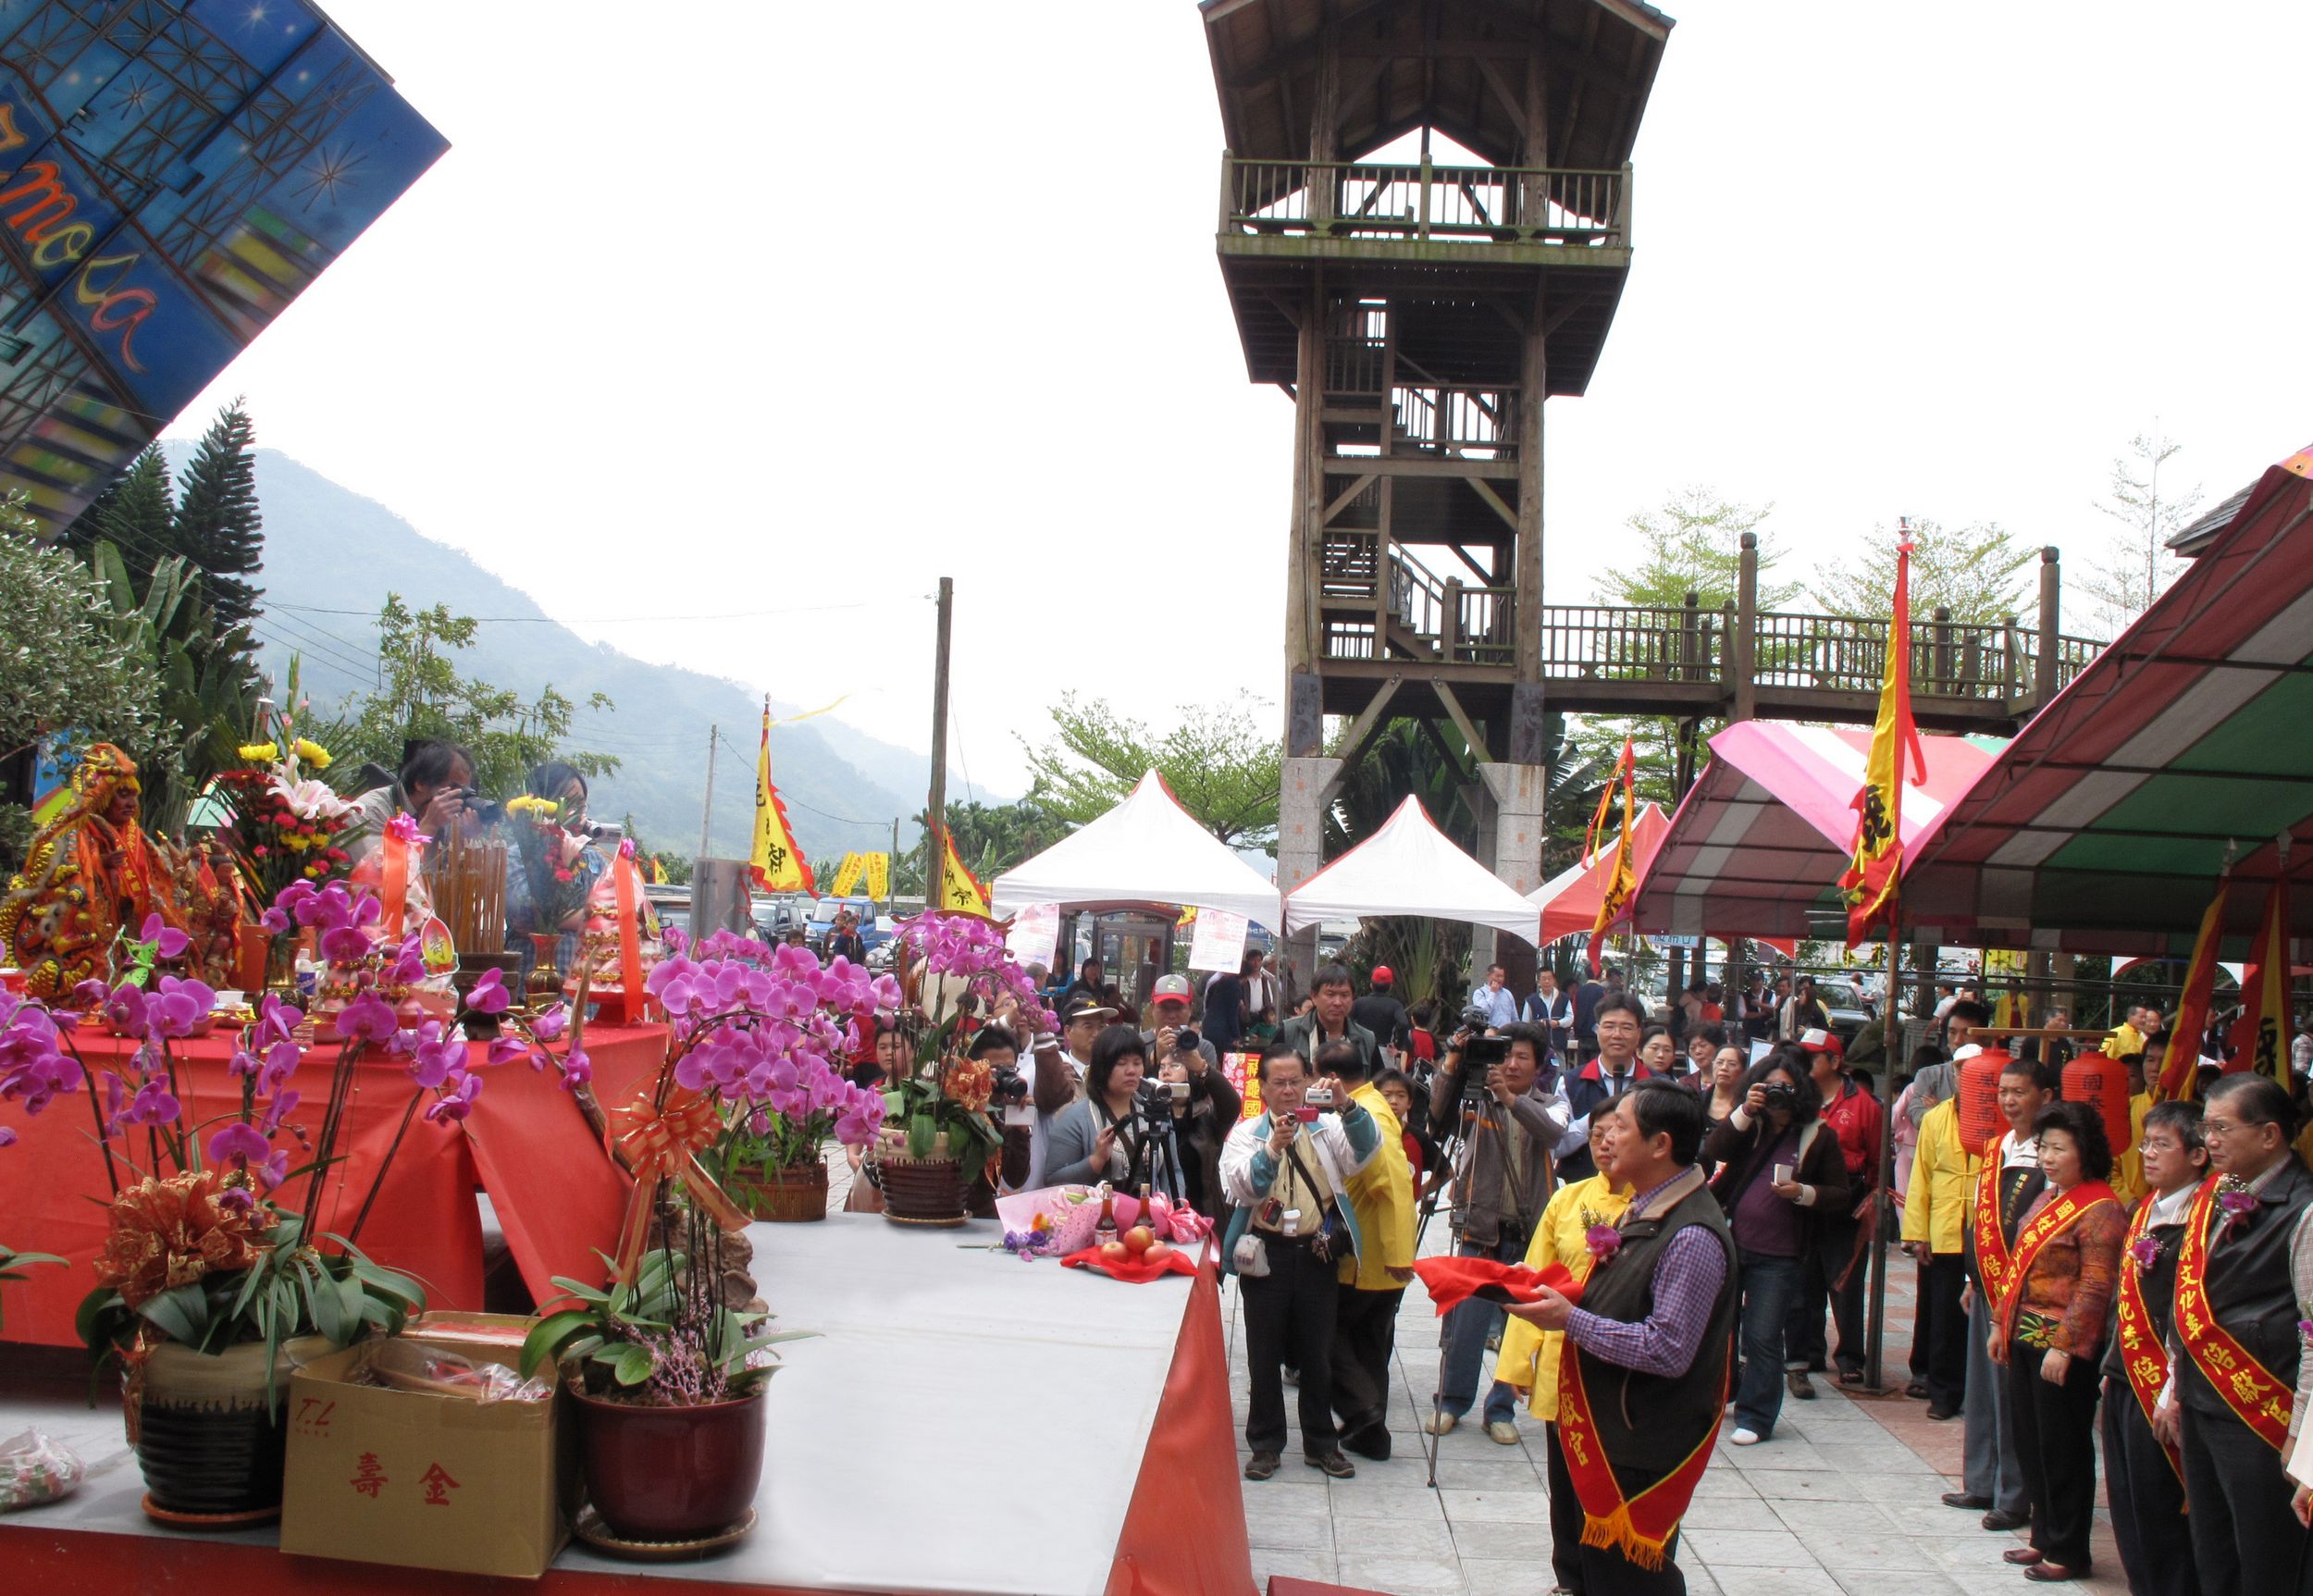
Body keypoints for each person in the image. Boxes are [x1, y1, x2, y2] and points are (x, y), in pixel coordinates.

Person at [1505, 1084, 1738, 1596]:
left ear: (1660, 1145)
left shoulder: (1691, 1234)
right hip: (1611, 1423)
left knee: (1630, 1579)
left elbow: (1667, 1349)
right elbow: (1620, 1297)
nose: (1606, 1135)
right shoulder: (1647, 1209)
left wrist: (1571, 1320)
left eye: (1621, 1126)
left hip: (1641, 1437)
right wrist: (1553, 1287)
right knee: (1596, 1568)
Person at [2156, 1072, 2313, 1592]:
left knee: (2265, 1557)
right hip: (2204, 1403)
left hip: (2262, 1415)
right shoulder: (2217, 1196)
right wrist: (2177, 1388)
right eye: (2206, 1127)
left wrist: (2301, 1439)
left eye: (2222, 1128)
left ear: (2270, 1135)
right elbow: (2189, 1299)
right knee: (2213, 1548)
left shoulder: (2304, 1210)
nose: (2210, 1141)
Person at [1220, 1041, 1381, 1481]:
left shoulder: (1327, 1128)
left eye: (1297, 1081)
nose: (1289, 1090)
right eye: (1280, 1083)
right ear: (1264, 1087)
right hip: (1266, 1253)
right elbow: (1245, 1189)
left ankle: (1321, 1444)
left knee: (1317, 1352)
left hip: (1317, 1251)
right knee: (1263, 1353)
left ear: (1309, 1081)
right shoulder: (1245, 1135)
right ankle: (1266, 1444)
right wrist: (1272, 1148)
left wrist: (1347, 1106)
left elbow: (1366, 1152)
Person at [1987, 1101, 2125, 1583]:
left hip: (2061, 1342)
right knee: (2031, 1440)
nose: (2047, 1157)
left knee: (2062, 1444)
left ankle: (2069, 1548)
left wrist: (2065, 1346)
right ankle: (2043, 1534)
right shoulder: (2048, 1198)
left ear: (2084, 1152)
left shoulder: (2101, 1207)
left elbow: (2096, 1287)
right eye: (2043, 1147)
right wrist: (1999, 1324)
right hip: (2025, 1334)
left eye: (2058, 1148)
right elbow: (2017, 1268)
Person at [1496, 1115, 1634, 1596]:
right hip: (1562, 1361)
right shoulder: (1568, 1198)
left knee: (1607, 1485)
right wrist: (1516, 1360)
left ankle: (1606, 1579)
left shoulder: (1653, 1207)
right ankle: (1570, 1578)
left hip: (1619, 1369)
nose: (1605, 1144)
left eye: (1618, 1134)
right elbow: (1532, 1280)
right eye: (1597, 1135)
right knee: (1565, 1482)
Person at [1424, 1021, 1569, 1442]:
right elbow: (1437, 1119)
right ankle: (1451, 1402)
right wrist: (1453, 1061)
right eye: (1505, 1055)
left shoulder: (1551, 1103)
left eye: (1523, 1056)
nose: (1511, 1064)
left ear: (1539, 1065)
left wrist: (1510, 1098)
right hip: (1479, 1224)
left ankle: (1501, 1407)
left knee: (1518, 1326)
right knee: (1465, 1322)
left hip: (1530, 1230)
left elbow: (1554, 1132)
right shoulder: (1477, 1101)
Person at [1705, 1051, 1851, 1445]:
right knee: (1721, 1330)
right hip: (1733, 1246)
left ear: (1802, 1089)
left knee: (1763, 1336)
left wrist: (1802, 1193)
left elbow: (1841, 1193)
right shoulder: (1750, 1128)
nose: (1778, 1095)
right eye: (1771, 1086)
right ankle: (1717, 1398)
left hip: (1781, 1257)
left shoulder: (1817, 1135)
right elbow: (1713, 1151)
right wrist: (1745, 1110)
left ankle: (1756, 1417)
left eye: (1786, 1086)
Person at [1943, 1054, 2051, 1529]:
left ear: (2045, 1097)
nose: (2009, 1100)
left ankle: (2014, 1493)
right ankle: (1980, 1482)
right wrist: (1972, 1278)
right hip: (1987, 1283)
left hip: (2026, 1293)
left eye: (2019, 1091)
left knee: (2012, 1395)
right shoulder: (1995, 1147)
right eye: (2003, 1091)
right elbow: (1981, 1222)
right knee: (1981, 1389)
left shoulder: (2050, 1155)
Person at [2102, 1100, 2204, 1596]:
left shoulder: (2206, 1217)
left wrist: (2172, 1389)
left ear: (2199, 1154)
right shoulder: (2143, 1209)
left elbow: (2189, 1313)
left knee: (2163, 1507)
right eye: (2146, 1143)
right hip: (2125, 1374)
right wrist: (2110, 1363)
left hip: (2164, 1384)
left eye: (2162, 1144)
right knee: (2128, 1503)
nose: (2148, 1154)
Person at [2, 743, 195, 999]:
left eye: (134, 795)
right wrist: (100, 864)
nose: (131, 803)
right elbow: (59, 886)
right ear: (102, 796)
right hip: (82, 941)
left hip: (127, 933)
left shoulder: (134, 835)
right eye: (123, 794)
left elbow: (157, 882)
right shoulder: (73, 835)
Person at [1322, 1038, 1416, 1461]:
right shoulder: (1373, 1104)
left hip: (1369, 1257)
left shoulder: (1366, 1113)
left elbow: (1394, 1183)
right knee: (1369, 1342)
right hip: (1378, 1256)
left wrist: (1400, 1254)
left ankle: (1362, 1411)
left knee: (1327, 1333)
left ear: (1331, 1078)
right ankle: (1371, 1433)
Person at [1785, 1029, 1884, 1396]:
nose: (1805, 1064)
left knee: (1845, 1281)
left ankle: (1851, 1358)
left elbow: (1875, 1160)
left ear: (1835, 1062)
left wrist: (1868, 1200)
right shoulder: (1799, 1099)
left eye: (1813, 1057)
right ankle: (1810, 1352)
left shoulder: (1865, 1105)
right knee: (1805, 1278)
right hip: (1805, 1200)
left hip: (1847, 1203)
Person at [503, 761, 610, 980]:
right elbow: (527, 910)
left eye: (581, 804)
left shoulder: (595, 860)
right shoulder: (517, 856)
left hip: (583, 988)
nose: (576, 812)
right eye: (566, 802)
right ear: (541, 803)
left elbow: (612, 911)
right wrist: (595, 917)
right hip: (528, 981)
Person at [1044, 1025, 1169, 1194]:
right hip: (1101, 1216)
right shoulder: (1077, 1117)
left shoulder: (1154, 1112)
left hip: (1149, 1215)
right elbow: (1052, 1181)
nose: (1131, 1071)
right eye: (1121, 1063)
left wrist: (1172, 1209)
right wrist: (1096, 1161)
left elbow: (1173, 1170)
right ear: (1102, 1068)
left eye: (1137, 1063)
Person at [1560, 993, 1654, 1183]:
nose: (1617, 1035)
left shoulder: (1657, 1085)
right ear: (1597, 1030)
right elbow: (1558, 1144)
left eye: (1626, 1028)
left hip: (1641, 1192)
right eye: (1609, 1026)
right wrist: (1596, 1121)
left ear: (1639, 1034)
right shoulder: (1571, 1082)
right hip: (1582, 1190)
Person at [1154, 1016, 1241, 1217]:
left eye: (1175, 1066)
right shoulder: (1148, 1114)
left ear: (1189, 1072)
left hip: (1205, 1214)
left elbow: (1232, 1104)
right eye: (1161, 1067)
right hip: (1160, 1215)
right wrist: (1153, 1057)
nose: (1166, 1072)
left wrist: (1202, 1067)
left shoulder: (1207, 1114)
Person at [1027, 995, 1110, 1189]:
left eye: (1101, 1027)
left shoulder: (1111, 1077)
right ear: (1068, 1031)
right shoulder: (1057, 1072)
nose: (1096, 1033)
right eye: (1088, 1026)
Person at [1279, 962, 1382, 1078]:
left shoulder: (1367, 1039)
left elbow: (1378, 1086)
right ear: (1314, 996)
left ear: (1353, 998)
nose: (1337, 1002)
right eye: (1330, 994)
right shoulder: (1289, 1032)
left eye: (1344, 995)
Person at [1374, 1070, 1440, 1203]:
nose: (1394, 1101)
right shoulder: (1366, 1133)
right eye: (1387, 1095)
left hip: (1405, 1215)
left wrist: (1418, 1193)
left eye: (1401, 1095)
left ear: (1409, 1103)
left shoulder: (1418, 1137)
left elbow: (1446, 1172)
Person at [1350, 965, 1414, 1063]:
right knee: (1383, 1078)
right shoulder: (1395, 1005)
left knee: (1360, 1078)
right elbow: (1404, 1023)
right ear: (1390, 986)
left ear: (1371, 985)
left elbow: (1346, 1020)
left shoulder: (1358, 1002)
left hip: (1361, 1050)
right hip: (1384, 1052)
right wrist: (1397, 1044)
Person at [1525, 967, 1574, 1060]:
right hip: (1539, 1047)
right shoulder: (1531, 1000)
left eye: (1549, 979)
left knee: (1559, 1071)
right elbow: (1526, 1023)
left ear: (1554, 981)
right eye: (1543, 979)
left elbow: (1570, 1017)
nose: (1547, 981)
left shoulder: (1563, 998)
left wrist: (1558, 1023)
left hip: (1558, 1045)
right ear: (1538, 982)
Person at [1201, 958, 1247, 1056]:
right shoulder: (1235, 987)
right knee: (1224, 1060)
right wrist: (1236, 1036)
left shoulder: (1219, 982)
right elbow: (1232, 1014)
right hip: (1222, 1031)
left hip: (1208, 1025)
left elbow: (1207, 1000)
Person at [1697, 1044, 1747, 1131]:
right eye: (1719, 1062)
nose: (1724, 1068)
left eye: (1732, 1064)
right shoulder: (1697, 1100)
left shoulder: (1745, 1106)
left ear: (1743, 1071)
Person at [1572, 964, 1610, 1063]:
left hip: (1582, 1035)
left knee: (1582, 1067)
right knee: (1595, 1066)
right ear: (1600, 974)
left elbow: (1574, 1013)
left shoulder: (1579, 992)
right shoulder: (1603, 992)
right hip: (1597, 1035)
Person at [1243, 949, 1279, 1043]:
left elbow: (1269, 999)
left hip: (1260, 1017)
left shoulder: (1264, 979)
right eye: (1253, 960)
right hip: (1245, 1017)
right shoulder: (1243, 979)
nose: (1256, 963)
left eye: (1259, 960)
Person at [1778, 974, 1829, 1041]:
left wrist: (1807, 1031)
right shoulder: (1799, 1009)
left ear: (1808, 997)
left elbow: (1824, 1032)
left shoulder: (1816, 1012)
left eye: (1802, 995)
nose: (1799, 997)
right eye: (1799, 994)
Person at [1469, 962, 1519, 1029]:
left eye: (1502, 976)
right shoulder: (1480, 993)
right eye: (1498, 976)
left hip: (1506, 1033)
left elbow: (1514, 1018)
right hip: (1489, 1033)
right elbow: (1483, 1013)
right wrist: (1492, 993)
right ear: (1488, 975)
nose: (1500, 979)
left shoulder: (1507, 994)